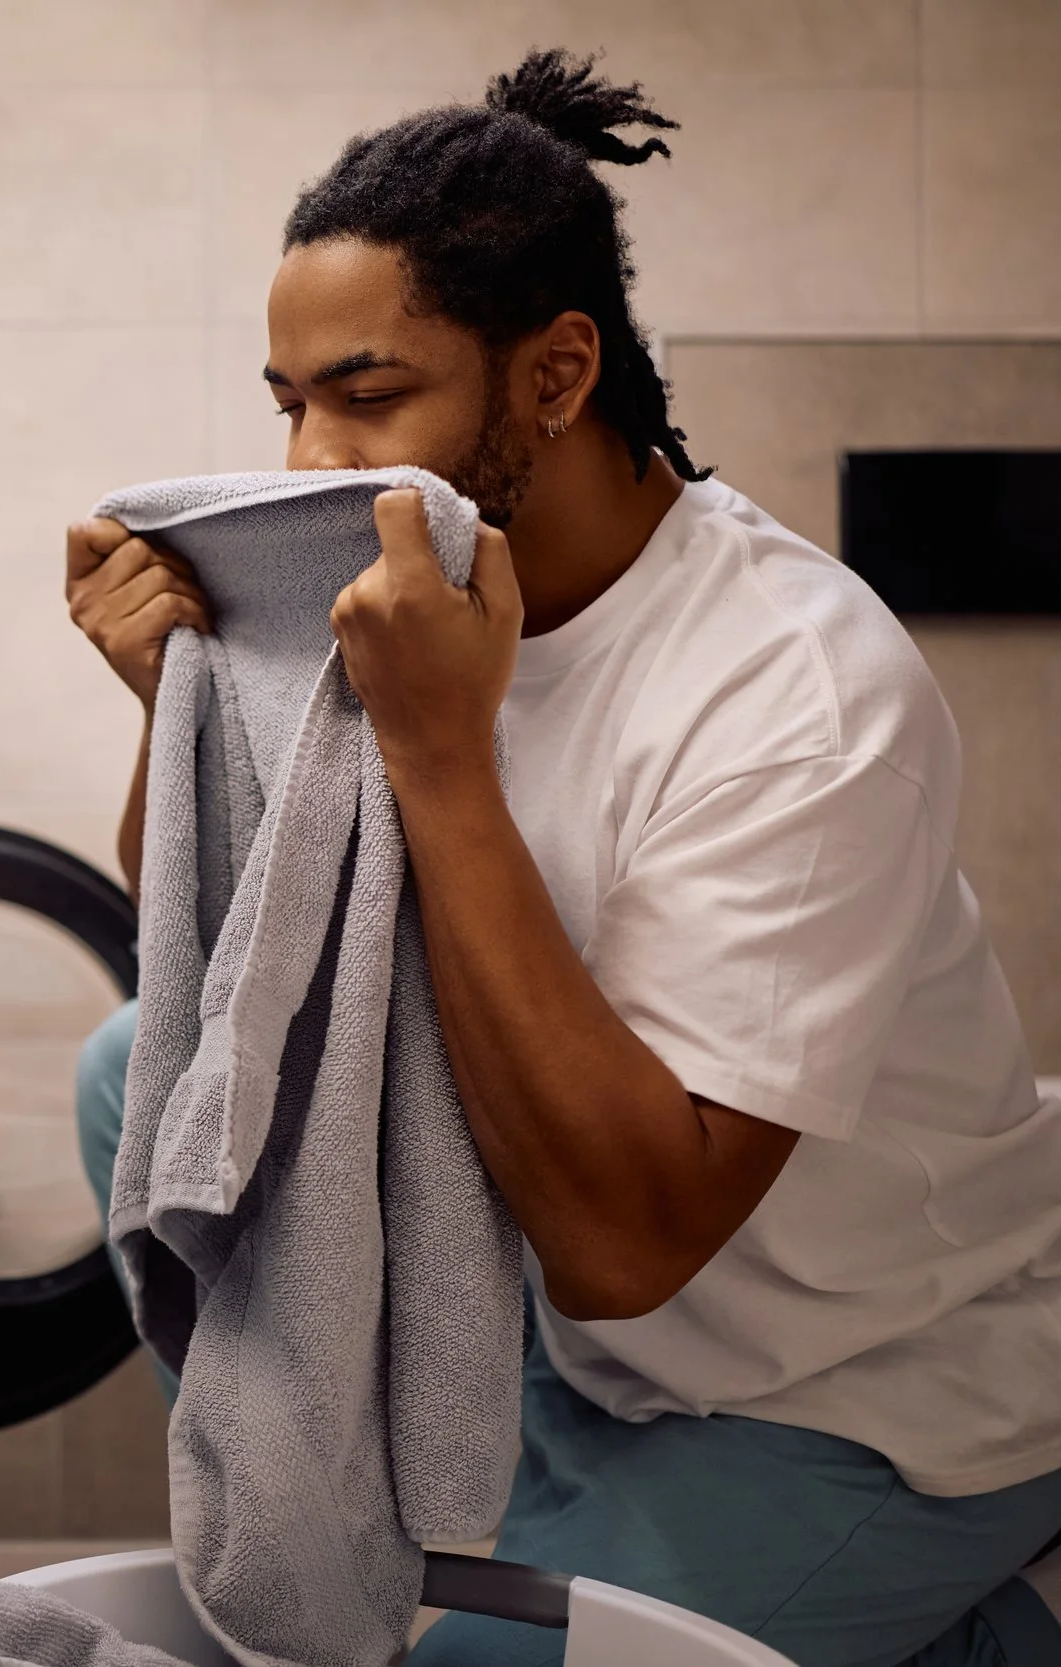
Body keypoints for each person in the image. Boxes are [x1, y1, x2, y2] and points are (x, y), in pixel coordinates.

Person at [64, 49, 1061, 1667]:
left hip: (870, 1384)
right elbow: (211, 969)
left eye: (370, 395)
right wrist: (176, 709)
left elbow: (622, 1246)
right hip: (577, 1356)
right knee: (136, 1068)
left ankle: (963, 1625)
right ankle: (322, 1486)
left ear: (556, 372)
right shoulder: (402, 580)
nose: (313, 457)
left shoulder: (797, 689)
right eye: (289, 402)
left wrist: (444, 751)